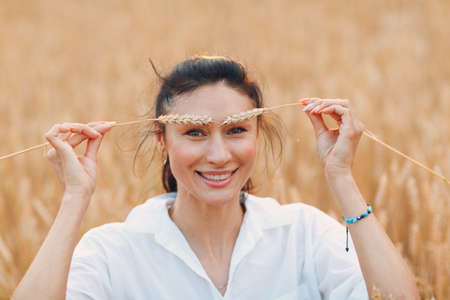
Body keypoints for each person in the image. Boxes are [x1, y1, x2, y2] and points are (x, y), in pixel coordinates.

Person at [12, 56, 419, 300]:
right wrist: (73, 200)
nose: (220, 155)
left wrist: (343, 178)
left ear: (257, 134)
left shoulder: (305, 235)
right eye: (195, 132)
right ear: (162, 141)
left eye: (237, 130)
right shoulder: (112, 253)